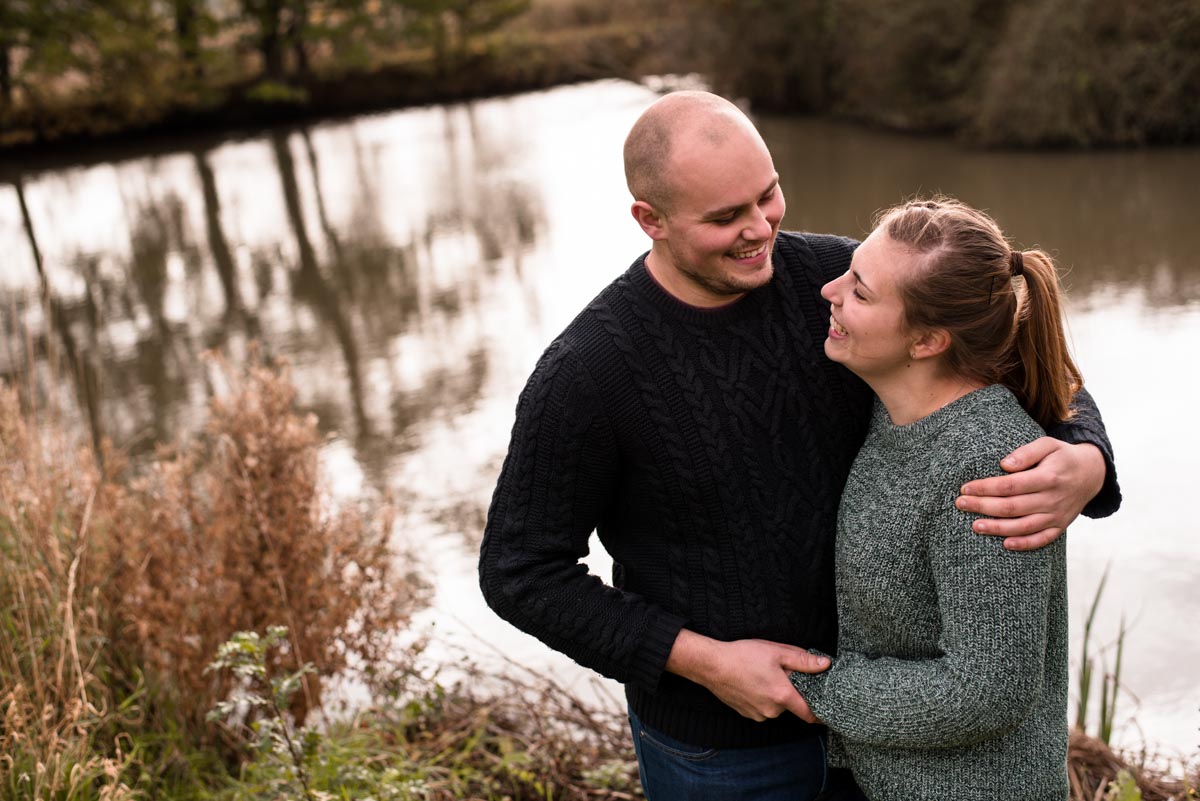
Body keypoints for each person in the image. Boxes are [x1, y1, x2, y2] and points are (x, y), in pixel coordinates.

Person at [479, 91, 1120, 801]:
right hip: (720, 753)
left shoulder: (841, 290)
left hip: (896, 743)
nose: (760, 228)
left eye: (768, 194)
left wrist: (1084, 455)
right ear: (649, 220)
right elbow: (520, 571)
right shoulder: (590, 371)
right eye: (726, 217)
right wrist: (700, 660)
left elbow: (1016, 346)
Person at [788, 197, 1087, 801]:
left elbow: (985, 690)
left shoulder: (989, 469)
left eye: (861, 292)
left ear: (927, 341)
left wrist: (805, 687)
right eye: (850, 270)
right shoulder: (896, 407)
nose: (829, 290)